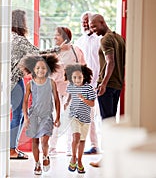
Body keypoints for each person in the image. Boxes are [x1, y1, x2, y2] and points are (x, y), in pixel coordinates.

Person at [10, 9, 59, 159]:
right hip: (14, 81)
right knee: (17, 116)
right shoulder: (20, 40)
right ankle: (11, 149)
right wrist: (58, 49)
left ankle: (12, 148)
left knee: (16, 115)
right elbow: (38, 53)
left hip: (11, 80)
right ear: (21, 23)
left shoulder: (11, 38)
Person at [88, 14, 126, 167]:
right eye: (91, 26)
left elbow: (111, 62)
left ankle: (108, 159)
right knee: (112, 122)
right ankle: (114, 158)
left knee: (107, 123)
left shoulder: (106, 39)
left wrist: (103, 84)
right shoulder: (119, 38)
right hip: (117, 85)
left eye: (94, 25)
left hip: (108, 86)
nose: (92, 29)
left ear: (102, 22)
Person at [20, 54, 61, 175]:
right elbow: (25, 102)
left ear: (47, 69)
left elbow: (57, 100)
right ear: (33, 69)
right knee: (35, 141)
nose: (40, 70)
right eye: (38, 68)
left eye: (43, 68)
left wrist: (58, 117)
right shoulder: (30, 84)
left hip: (47, 116)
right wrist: (26, 118)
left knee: (44, 142)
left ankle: (46, 156)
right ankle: (37, 164)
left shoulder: (51, 83)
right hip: (34, 116)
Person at [49, 26, 86, 156]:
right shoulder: (54, 52)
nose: (54, 37)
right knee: (55, 116)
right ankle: (52, 147)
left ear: (64, 36)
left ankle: (71, 148)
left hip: (72, 89)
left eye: (57, 35)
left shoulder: (76, 50)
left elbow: (83, 67)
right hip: (56, 88)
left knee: (72, 118)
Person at [75, 12, 101, 155]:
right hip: (85, 85)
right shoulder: (79, 42)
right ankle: (94, 145)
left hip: (100, 83)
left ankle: (103, 145)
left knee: (101, 116)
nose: (85, 24)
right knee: (88, 116)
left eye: (87, 21)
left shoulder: (100, 40)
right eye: (82, 22)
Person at [64, 64, 96, 174]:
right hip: (74, 116)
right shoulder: (71, 86)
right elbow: (70, 95)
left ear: (84, 77)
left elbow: (92, 104)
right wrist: (67, 102)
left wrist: (83, 99)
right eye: (74, 77)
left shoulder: (89, 88)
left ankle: (80, 161)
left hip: (86, 119)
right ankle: (73, 158)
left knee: (82, 141)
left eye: (79, 77)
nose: (77, 80)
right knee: (76, 137)